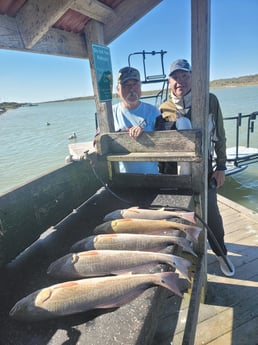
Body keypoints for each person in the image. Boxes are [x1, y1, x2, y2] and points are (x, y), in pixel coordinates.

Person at [157, 59, 235, 277]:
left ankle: (220, 253)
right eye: (175, 77)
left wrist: (221, 166)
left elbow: (219, 136)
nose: (180, 81)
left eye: (185, 76)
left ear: (192, 77)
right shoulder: (164, 108)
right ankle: (184, 254)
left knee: (212, 215)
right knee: (180, 216)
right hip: (175, 173)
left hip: (205, 168)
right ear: (169, 81)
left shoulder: (209, 100)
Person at [112, 66, 160, 174]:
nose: (132, 89)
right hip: (123, 180)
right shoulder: (110, 114)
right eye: (126, 86)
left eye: (135, 85)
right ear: (118, 89)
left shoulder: (154, 112)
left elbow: (168, 142)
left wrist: (146, 136)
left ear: (140, 86)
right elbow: (98, 140)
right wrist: (121, 135)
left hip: (153, 178)